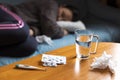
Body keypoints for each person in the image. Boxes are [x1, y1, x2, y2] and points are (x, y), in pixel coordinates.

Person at [1, 0, 79, 39]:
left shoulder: (44, 22)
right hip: (6, 11)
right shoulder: (51, 4)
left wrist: (34, 31)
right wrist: (63, 32)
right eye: (62, 14)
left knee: (30, 46)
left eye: (63, 20)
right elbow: (50, 30)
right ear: (62, 6)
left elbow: (45, 28)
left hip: (16, 25)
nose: (59, 18)